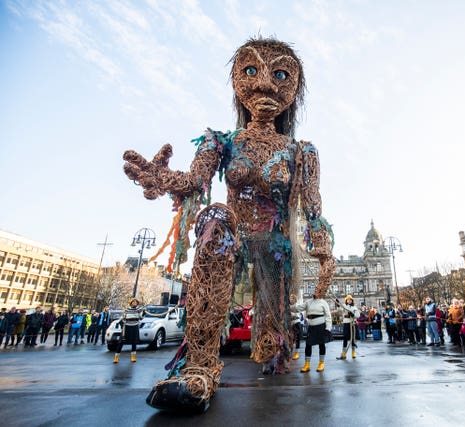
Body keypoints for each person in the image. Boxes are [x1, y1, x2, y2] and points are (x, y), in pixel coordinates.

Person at [127, 38, 336, 412]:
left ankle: (271, 354)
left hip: (275, 245)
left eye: (281, 75)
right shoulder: (222, 142)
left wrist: (324, 253)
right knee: (215, 219)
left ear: (293, 89)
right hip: (233, 236)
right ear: (239, 82)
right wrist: (161, 179)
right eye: (252, 71)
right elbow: (194, 181)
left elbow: (312, 206)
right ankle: (200, 367)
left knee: (272, 339)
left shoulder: (301, 151)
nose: (265, 86)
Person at [293, 291, 332, 373]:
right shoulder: (308, 302)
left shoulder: (323, 302)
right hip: (311, 326)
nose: (314, 293)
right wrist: (289, 305)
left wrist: (328, 328)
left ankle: (321, 363)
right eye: (314, 291)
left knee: (321, 344)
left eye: (317, 292)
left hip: (321, 326)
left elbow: (328, 315)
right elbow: (298, 308)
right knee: (308, 344)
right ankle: (307, 364)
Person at [114, 298, 145, 363]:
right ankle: (116, 357)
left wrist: (144, 312)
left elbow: (141, 318)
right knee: (121, 342)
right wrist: (121, 323)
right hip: (127, 327)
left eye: (136, 302)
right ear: (131, 303)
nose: (135, 303)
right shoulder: (126, 310)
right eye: (133, 302)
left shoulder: (138, 310)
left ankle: (133, 356)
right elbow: (123, 317)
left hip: (135, 326)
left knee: (134, 342)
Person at [336, 295, 360, 359]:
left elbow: (358, 315)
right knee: (345, 338)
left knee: (353, 339)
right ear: (346, 300)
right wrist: (337, 304)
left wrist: (353, 315)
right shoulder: (344, 306)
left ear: (352, 301)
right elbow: (339, 310)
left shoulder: (354, 307)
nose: (349, 301)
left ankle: (353, 352)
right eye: (348, 300)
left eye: (350, 300)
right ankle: (344, 353)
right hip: (346, 323)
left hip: (352, 324)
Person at [289, 294, 302, 360]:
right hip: (290, 324)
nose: (291, 299)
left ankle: (297, 352)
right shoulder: (287, 305)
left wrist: (291, 314)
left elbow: (298, 314)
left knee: (297, 338)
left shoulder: (297, 305)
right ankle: (290, 351)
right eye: (290, 297)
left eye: (293, 298)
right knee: (290, 338)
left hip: (296, 322)